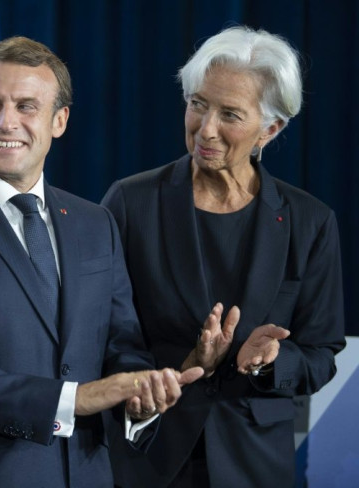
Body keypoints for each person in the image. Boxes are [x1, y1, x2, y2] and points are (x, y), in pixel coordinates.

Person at [0, 36, 203, 488]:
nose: (5, 121)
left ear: (59, 121)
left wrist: (138, 395)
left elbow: (121, 344)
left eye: (26, 106)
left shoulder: (96, 223)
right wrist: (74, 399)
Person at [101, 26, 346, 488]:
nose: (205, 128)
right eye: (198, 104)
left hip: (254, 465)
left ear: (270, 130)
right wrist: (167, 376)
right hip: (148, 456)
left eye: (230, 113)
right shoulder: (130, 202)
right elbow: (103, 332)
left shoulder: (309, 221)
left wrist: (269, 361)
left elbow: (321, 351)